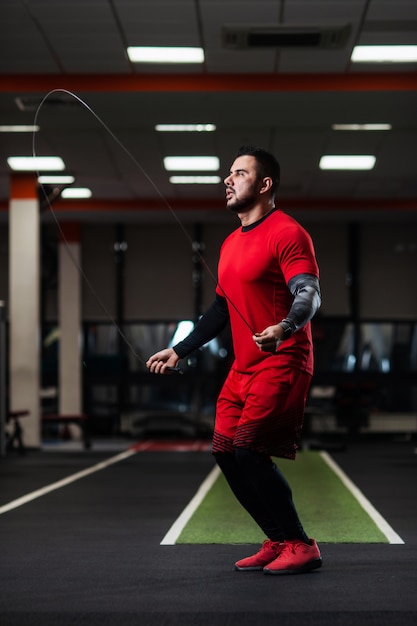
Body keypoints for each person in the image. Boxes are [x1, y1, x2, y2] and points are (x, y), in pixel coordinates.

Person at [146, 146, 322, 575]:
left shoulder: (287, 232)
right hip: (242, 369)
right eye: (228, 173)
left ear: (264, 184)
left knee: (248, 450)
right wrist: (180, 348)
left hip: (282, 359)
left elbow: (309, 293)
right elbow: (222, 310)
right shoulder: (229, 244)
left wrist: (284, 327)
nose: (227, 179)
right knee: (225, 451)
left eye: (239, 173)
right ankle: (277, 539)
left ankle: (301, 545)